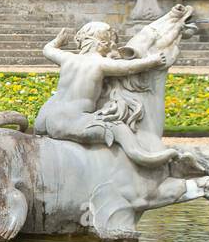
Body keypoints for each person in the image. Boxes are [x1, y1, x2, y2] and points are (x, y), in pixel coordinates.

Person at [35, 20, 177, 167]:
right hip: (71, 121)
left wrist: (57, 41)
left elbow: (47, 50)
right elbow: (128, 67)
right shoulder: (100, 64)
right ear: (103, 44)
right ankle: (144, 157)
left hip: (45, 118)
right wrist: (152, 61)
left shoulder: (67, 57)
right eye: (111, 44)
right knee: (119, 128)